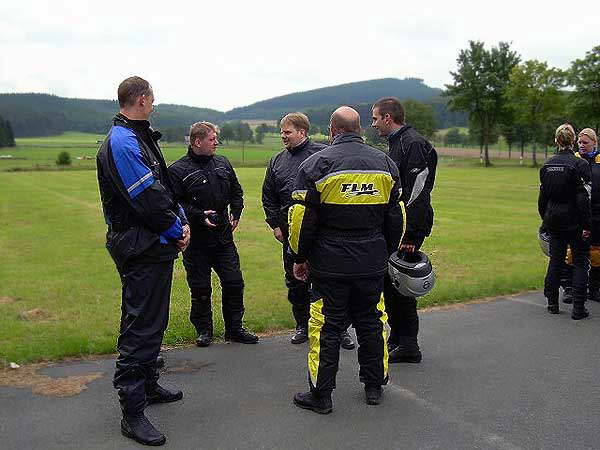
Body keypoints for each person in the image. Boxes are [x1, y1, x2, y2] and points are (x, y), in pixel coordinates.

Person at [289, 106, 404, 413]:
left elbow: (301, 220)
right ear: (360, 129)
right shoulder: (385, 164)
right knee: (372, 322)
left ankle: (321, 395)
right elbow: (396, 217)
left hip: (330, 265)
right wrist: (385, 251)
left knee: (325, 327)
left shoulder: (316, 164)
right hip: (372, 261)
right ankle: (374, 386)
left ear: (332, 130)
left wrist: (299, 257)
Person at [97, 76, 189, 446]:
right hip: (140, 245)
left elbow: (164, 187)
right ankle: (132, 412)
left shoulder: (139, 135)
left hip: (152, 243)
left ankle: (149, 386)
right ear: (142, 99)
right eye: (152, 98)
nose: (154, 103)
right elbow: (147, 197)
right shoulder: (122, 141)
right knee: (141, 327)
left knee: (152, 319)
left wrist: (181, 220)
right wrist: (176, 229)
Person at [262, 113, 355, 349]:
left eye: (287, 132)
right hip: (291, 234)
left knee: (331, 281)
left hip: (324, 233)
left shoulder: (324, 154)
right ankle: (302, 325)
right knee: (295, 281)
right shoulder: (276, 162)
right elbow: (268, 196)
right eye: (281, 132)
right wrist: (275, 225)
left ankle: (339, 329)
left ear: (302, 132)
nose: (283, 136)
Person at [169, 122, 258, 347]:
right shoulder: (177, 170)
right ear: (197, 142)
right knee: (200, 288)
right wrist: (198, 215)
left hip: (223, 238)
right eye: (212, 139)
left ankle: (234, 329)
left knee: (234, 282)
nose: (216, 142)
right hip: (196, 241)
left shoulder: (223, 163)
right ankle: (204, 330)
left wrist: (236, 211)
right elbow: (174, 204)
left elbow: (236, 191)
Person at [371, 97, 437, 364]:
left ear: (388, 117)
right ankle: (397, 336)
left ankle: (409, 344)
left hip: (407, 229)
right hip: (395, 225)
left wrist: (411, 235)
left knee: (401, 284)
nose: (373, 124)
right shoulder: (397, 142)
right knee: (391, 283)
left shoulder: (413, 144)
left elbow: (418, 193)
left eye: (375, 118)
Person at [539, 124, 591, 319]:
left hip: (554, 219)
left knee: (556, 260)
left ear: (556, 141)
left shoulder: (547, 166)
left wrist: (546, 219)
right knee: (580, 261)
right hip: (575, 221)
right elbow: (584, 198)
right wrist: (587, 224)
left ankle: (552, 302)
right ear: (573, 140)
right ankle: (578, 308)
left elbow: (542, 199)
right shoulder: (580, 165)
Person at [575, 128, 600, 301]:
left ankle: (594, 288)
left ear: (594, 143)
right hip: (577, 215)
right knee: (574, 253)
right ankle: (571, 288)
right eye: (579, 142)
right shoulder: (575, 159)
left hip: (597, 214)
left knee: (597, 252)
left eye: (585, 142)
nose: (582, 145)